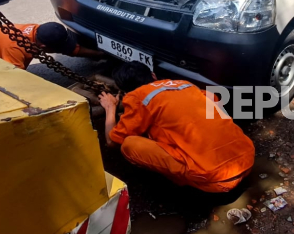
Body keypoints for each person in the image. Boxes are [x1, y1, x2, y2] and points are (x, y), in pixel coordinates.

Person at [98, 62, 255, 193]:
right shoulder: (185, 84)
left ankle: (180, 185)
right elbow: (215, 102)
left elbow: (112, 141)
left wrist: (110, 108)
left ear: (126, 91)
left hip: (216, 180)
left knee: (129, 144)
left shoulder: (137, 97)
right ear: (153, 75)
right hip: (247, 160)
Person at [0, 22, 101, 69]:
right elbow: (16, 78)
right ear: (44, 46)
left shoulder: (39, 30)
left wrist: (101, 55)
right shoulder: (16, 47)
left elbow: (71, 50)